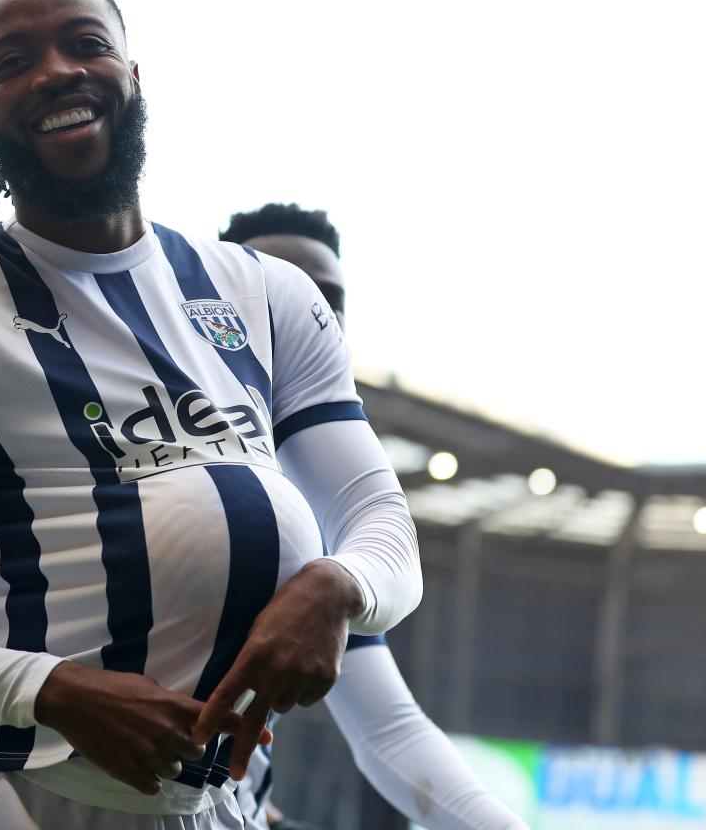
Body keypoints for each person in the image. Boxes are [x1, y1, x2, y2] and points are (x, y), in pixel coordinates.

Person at [0, 0, 422, 830]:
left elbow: (385, 527)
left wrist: (339, 587)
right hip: (14, 799)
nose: (57, 71)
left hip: (211, 806)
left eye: (84, 43)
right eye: (13, 61)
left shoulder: (266, 295)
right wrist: (54, 691)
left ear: (132, 74)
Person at [222, 204, 526, 830]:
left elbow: (387, 730)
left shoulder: (323, 506)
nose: (306, 309)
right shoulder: (120, 432)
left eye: (327, 298)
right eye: (272, 280)